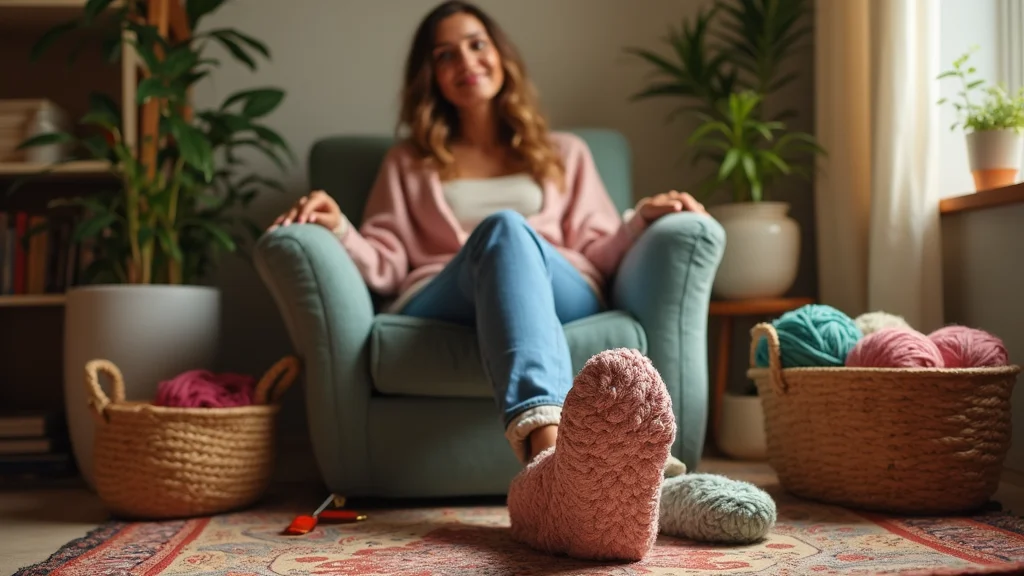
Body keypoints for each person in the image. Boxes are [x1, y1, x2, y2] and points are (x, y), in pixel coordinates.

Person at [270, 0, 709, 562]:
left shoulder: (564, 153)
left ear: (501, 55)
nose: (466, 61)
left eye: (477, 44)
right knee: (502, 230)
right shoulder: (409, 162)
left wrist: (642, 217)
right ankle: (549, 467)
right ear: (430, 76)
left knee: (512, 233)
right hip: (448, 295)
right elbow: (385, 262)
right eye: (445, 54)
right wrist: (339, 228)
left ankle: (590, 479)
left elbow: (598, 251)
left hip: (559, 287)